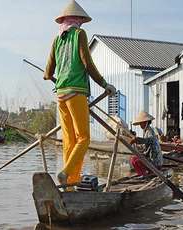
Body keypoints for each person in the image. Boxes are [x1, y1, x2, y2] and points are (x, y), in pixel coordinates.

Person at [44, 0, 116, 185]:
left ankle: (68, 184)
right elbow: (87, 62)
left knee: (69, 140)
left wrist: (55, 78)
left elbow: (48, 72)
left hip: (60, 94)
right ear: (77, 20)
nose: (81, 24)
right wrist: (104, 84)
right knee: (83, 138)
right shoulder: (79, 34)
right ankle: (66, 172)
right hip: (76, 93)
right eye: (80, 21)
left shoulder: (57, 39)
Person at [129, 111, 163, 177]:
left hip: (155, 162)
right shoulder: (146, 131)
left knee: (135, 160)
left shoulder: (150, 131)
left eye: (141, 123)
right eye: (140, 123)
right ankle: (143, 174)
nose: (140, 125)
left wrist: (136, 140)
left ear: (146, 122)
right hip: (152, 159)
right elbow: (144, 147)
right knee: (133, 158)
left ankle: (144, 175)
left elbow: (148, 140)